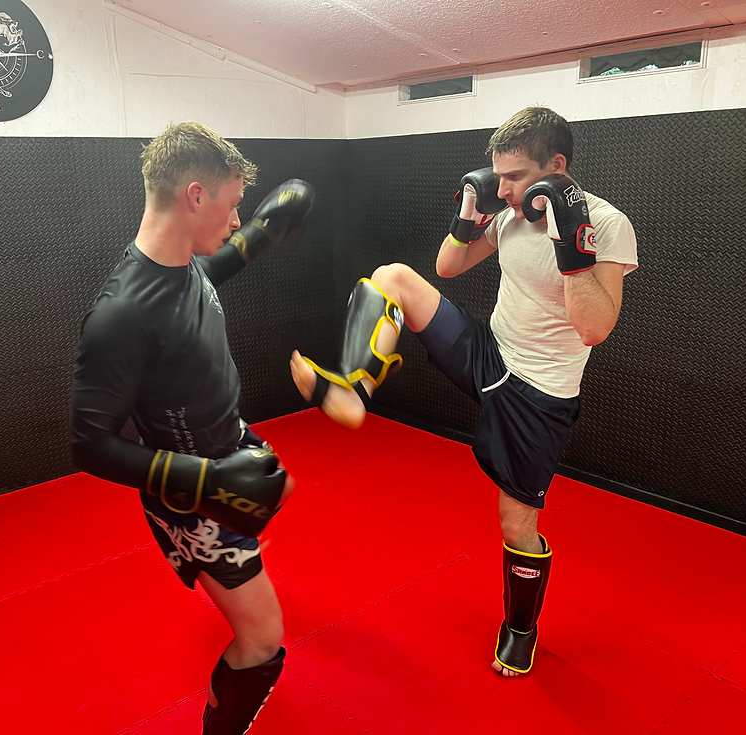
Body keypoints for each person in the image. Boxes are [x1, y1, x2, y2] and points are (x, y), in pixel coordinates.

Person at [290, 106, 637, 676]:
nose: (503, 188)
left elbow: (595, 328)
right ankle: (355, 388)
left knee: (515, 524)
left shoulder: (606, 223)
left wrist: (571, 249)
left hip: (539, 393)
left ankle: (520, 627)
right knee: (394, 276)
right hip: (488, 354)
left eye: (515, 177)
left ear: (557, 166)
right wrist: (470, 219)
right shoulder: (514, 216)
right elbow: (447, 268)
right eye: (497, 176)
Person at [71, 121, 315, 733]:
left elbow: (216, 268)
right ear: (196, 196)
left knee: (280, 487)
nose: (237, 220)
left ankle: (226, 565)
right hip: (192, 492)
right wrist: (208, 482)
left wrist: (267, 229)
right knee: (263, 640)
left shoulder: (185, 267)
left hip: (229, 444)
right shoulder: (121, 315)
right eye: (234, 206)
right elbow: (88, 443)